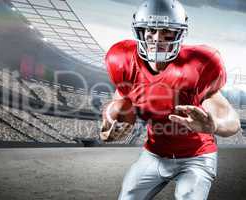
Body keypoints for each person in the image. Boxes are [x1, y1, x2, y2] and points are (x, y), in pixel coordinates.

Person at [100, 0, 241, 199]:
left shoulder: (199, 65)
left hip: (196, 156)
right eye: (151, 30)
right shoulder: (123, 60)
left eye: (167, 32)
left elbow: (233, 122)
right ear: (140, 31)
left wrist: (214, 125)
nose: (157, 39)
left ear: (180, 34)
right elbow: (120, 102)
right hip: (154, 153)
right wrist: (109, 123)